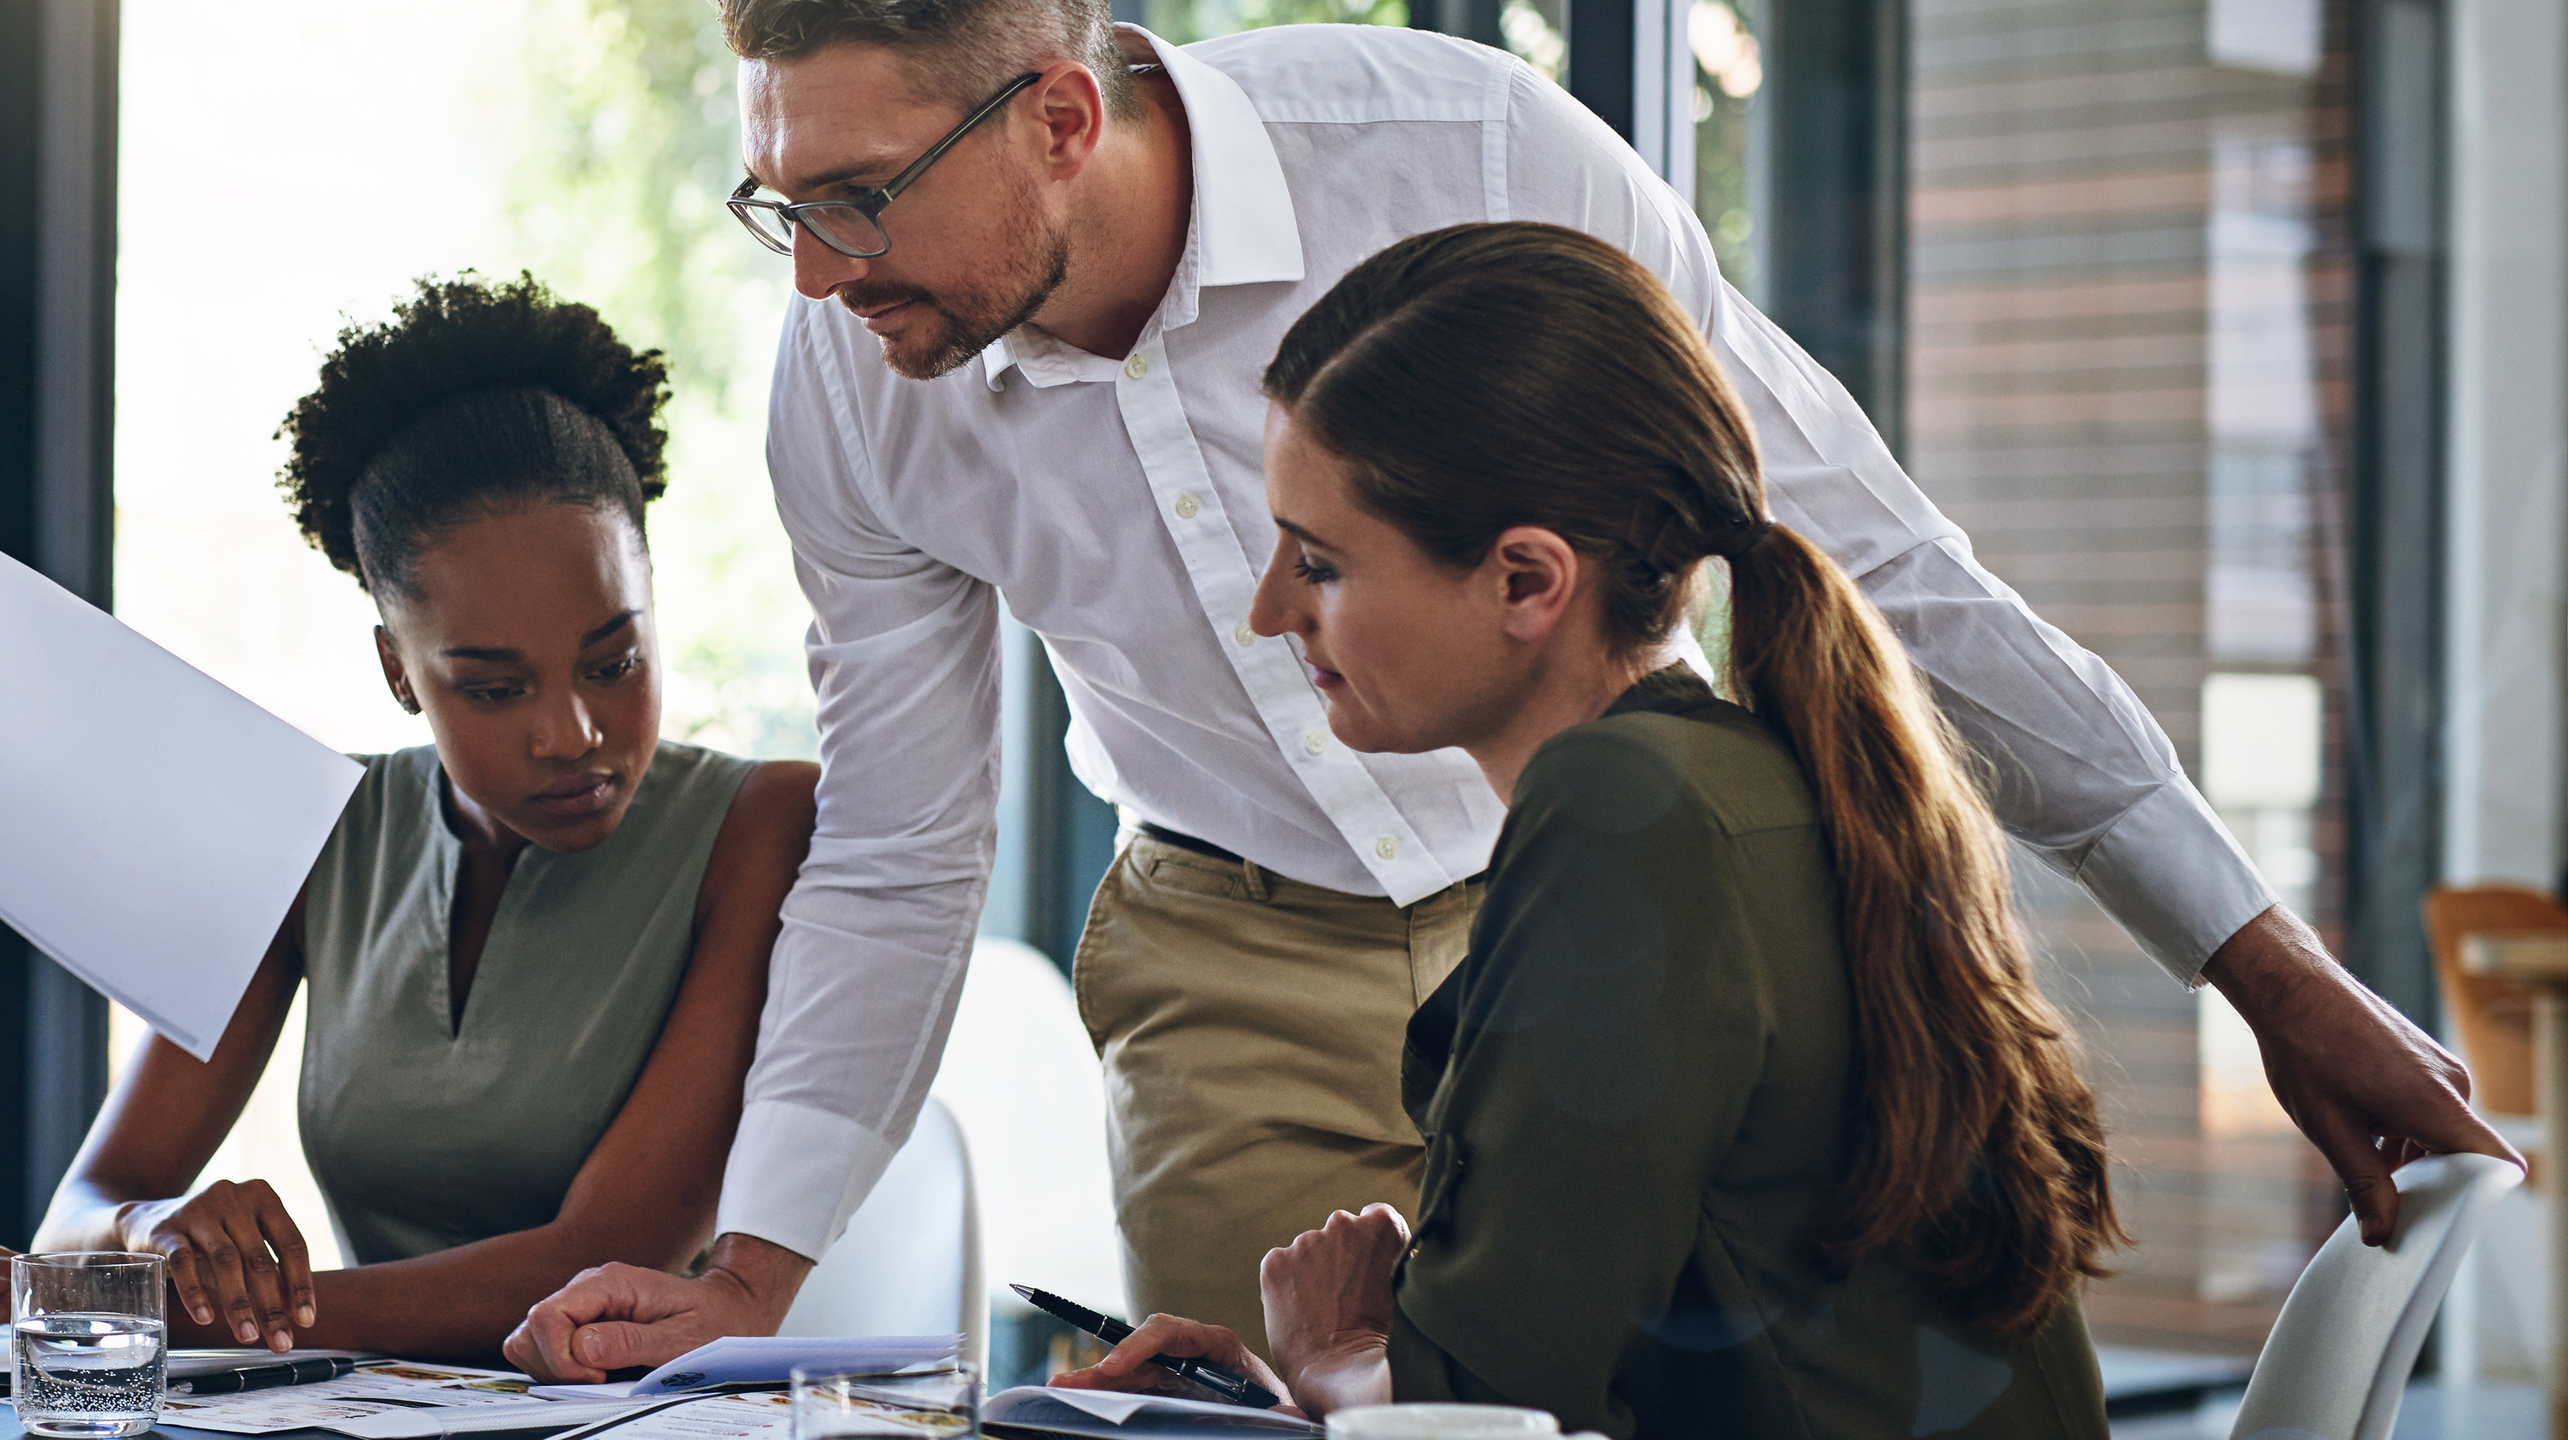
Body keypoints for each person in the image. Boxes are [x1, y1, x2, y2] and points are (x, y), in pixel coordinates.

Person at [507, 0, 2503, 1377]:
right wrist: (752, 1269)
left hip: (1604, 932)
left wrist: (2265, 967)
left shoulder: (1474, 161)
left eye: (857, 197)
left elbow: (1875, 561)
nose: (815, 275)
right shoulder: (855, 390)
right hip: (1237, 966)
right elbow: (902, 842)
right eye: (783, 202)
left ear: (1058, 114)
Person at [1045, 221, 2116, 1437]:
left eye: (1322, 563)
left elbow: (1490, 1417)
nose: (1269, 609)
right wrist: (1337, 1366)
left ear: (1525, 582)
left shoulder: (1622, 817)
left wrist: (1338, 1353)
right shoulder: (1743, 778)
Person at [0, 277, 819, 1363]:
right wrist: (143, 1233)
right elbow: (86, 1204)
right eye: (494, 687)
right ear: (399, 669)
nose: (572, 733)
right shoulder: (313, 829)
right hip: (359, 1418)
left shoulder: (763, 824)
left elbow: (602, 1263)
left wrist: (149, 1303)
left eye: (613, 661)